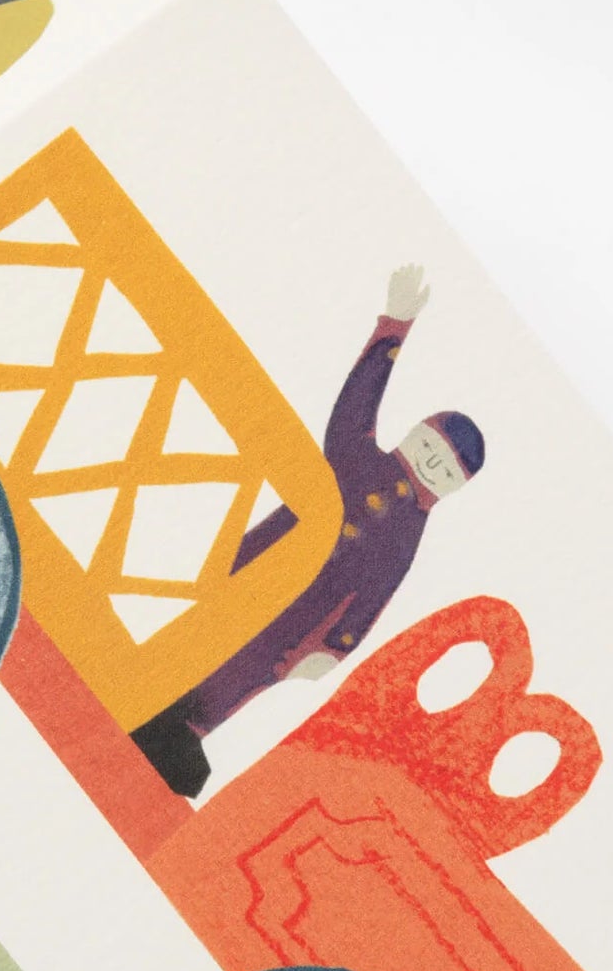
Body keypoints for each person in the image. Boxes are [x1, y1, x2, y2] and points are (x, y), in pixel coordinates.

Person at [131, 264, 485, 796]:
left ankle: (185, 731)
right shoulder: (361, 460)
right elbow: (352, 414)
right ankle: (147, 693)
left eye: (445, 469)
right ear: (415, 435)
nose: (431, 465)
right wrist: (393, 328)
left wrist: (336, 647)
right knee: (204, 633)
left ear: (453, 487)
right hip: (264, 565)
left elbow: (379, 594)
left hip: (302, 620)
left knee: (245, 672)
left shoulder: (409, 533)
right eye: (430, 449)